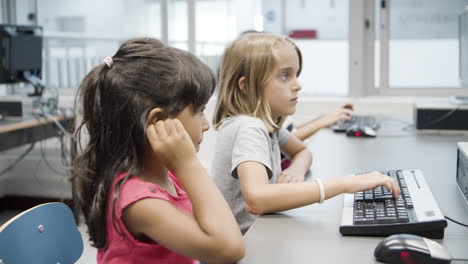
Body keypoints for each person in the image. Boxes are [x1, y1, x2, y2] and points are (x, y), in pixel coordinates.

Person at [72, 38, 244, 264]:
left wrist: (185, 167)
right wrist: (189, 164)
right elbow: (229, 248)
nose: (206, 124)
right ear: (157, 121)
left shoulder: (169, 174)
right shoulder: (140, 202)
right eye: (200, 111)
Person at [211, 33, 401, 234]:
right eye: (285, 75)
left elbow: (302, 151)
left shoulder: (268, 126)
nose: (298, 85)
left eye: (296, 74)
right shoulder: (248, 127)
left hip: (259, 235)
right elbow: (257, 199)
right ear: (246, 86)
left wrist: (296, 171)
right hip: (243, 247)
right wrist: (346, 183)